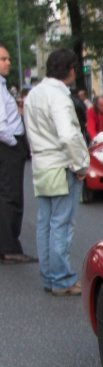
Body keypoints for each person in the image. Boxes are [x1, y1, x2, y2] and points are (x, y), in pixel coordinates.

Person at [23, 48, 90, 295]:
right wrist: (81, 164)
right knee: (61, 224)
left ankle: (50, 277)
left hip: (41, 165)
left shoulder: (34, 94)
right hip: (60, 166)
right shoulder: (59, 97)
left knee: (45, 224)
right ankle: (62, 279)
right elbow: (68, 134)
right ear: (71, 70)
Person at [0, 43, 35, 265]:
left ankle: (6, 244)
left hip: (9, 146)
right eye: (3, 59)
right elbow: (1, 126)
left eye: (8, 59)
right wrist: (14, 144)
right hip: (8, 147)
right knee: (10, 197)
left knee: (7, 195)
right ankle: (10, 248)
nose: (8, 63)